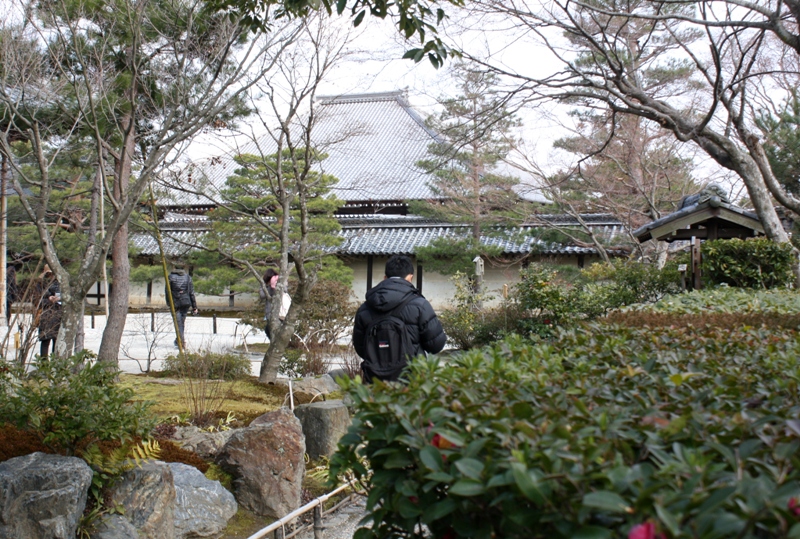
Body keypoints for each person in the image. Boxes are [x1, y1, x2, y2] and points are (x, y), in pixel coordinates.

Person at [352, 255, 446, 383]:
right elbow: (436, 345)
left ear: (385, 277)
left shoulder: (365, 308)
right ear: (410, 277)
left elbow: (361, 348)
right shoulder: (420, 305)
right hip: (412, 380)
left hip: (375, 381)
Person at [166, 263, 197, 348]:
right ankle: (179, 340)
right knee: (181, 322)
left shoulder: (170, 277)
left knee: (178, 322)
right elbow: (191, 293)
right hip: (186, 302)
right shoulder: (188, 277)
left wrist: (169, 303)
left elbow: (167, 292)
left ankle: (181, 341)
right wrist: (194, 307)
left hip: (175, 302)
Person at [37, 265, 61, 359]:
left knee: (56, 340)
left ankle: (55, 363)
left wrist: (59, 298)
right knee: (45, 340)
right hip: (46, 314)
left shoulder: (60, 283)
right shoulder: (40, 284)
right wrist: (48, 299)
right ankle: (44, 364)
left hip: (58, 313)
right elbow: (37, 300)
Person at [259, 268, 279, 340]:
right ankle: (274, 345)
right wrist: (271, 287)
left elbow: (285, 291)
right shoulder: (264, 285)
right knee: (268, 330)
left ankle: (276, 346)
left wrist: (275, 286)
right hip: (269, 312)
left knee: (273, 331)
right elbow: (262, 295)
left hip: (280, 312)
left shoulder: (280, 283)